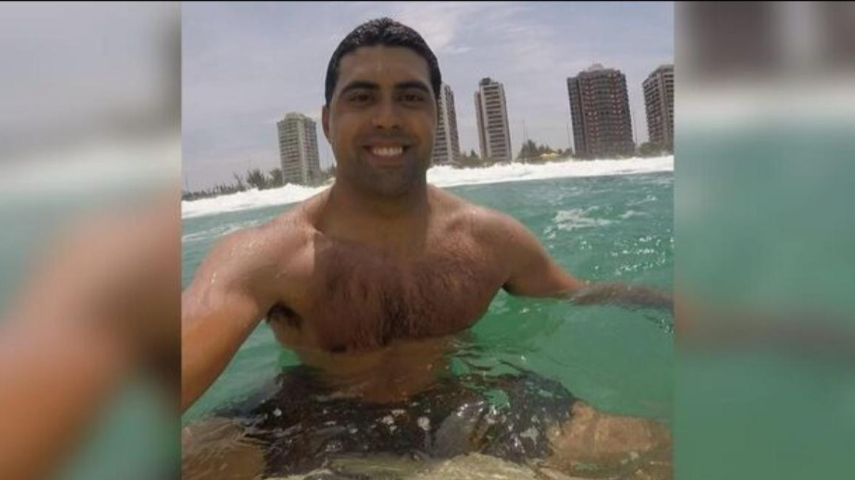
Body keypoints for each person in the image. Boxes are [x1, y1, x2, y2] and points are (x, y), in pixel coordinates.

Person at [182, 17, 672, 479]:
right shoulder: (268, 257)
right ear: (328, 121)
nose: (387, 118)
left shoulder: (489, 240)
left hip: (468, 406)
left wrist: (670, 303)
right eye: (362, 98)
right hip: (305, 416)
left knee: (662, 453)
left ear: (437, 116)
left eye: (410, 97)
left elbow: (575, 292)